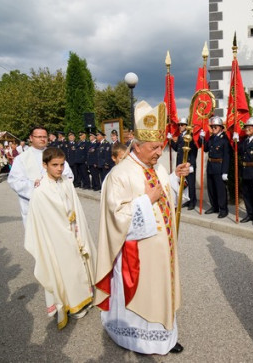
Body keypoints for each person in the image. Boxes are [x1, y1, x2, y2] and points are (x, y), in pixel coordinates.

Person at [95, 100, 189, 355]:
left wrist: (174, 178)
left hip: (162, 250)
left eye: (162, 146)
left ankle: (165, 336)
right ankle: (140, 340)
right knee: (145, 295)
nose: (160, 152)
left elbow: (163, 194)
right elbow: (117, 217)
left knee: (162, 291)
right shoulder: (120, 174)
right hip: (137, 256)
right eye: (154, 147)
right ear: (137, 146)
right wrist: (146, 200)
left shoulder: (156, 166)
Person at [24, 147, 96, 330]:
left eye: (62, 164)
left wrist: (78, 229)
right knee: (67, 270)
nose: (59, 168)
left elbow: (74, 207)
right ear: (45, 165)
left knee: (80, 265)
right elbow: (42, 221)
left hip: (73, 230)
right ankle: (72, 305)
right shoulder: (40, 192)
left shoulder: (66, 182)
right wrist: (64, 231)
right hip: (57, 238)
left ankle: (85, 297)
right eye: (54, 165)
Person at [8, 126, 74, 225]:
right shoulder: (21, 159)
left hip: (56, 203)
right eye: (39, 136)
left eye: (45, 136)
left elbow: (68, 175)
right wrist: (34, 185)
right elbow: (14, 181)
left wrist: (56, 184)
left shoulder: (55, 154)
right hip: (33, 204)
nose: (42, 139)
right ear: (31, 138)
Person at [199, 116, 230, 218]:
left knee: (220, 190)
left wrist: (225, 171)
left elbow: (227, 156)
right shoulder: (212, 138)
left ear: (221, 127)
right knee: (211, 188)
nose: (213, 129)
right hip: (211, 166)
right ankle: (214, 206)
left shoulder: (224, 140)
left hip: (220, 167)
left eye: (215, 127)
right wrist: (202, 139)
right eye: (212, 127)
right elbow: (206, 149)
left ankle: (223, 209)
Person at [169, 117, 198, 210]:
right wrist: (170, 140)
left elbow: (194, 151)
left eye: (182, 125)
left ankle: (193, 202)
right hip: (180, 164)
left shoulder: (190, 136)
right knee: (183, 184)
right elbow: (176, 148)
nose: (180, 126)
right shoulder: (181, 136)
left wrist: (191, 164)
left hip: (187, 164)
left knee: (191, 183)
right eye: (179, 125)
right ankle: (187, 200)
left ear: (186, 126)